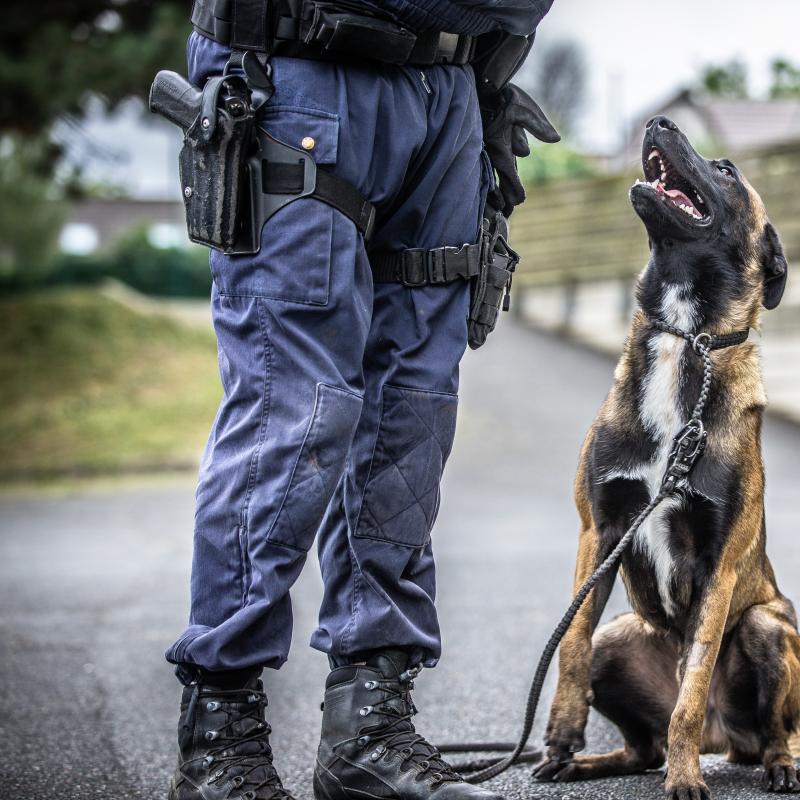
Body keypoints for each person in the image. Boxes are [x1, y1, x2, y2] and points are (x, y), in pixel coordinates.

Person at [162, 2, 557, 799]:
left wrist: (479, 85)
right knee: (295, 410)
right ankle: (219, 737)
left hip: (449, 91)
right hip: (299, 70)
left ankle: (368, 730)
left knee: (411, 416)